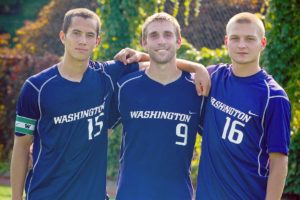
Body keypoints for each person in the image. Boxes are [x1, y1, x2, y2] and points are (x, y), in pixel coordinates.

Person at [10, 8, 210, 200]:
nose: (82, 40)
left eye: (89, 35)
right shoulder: (36, 88)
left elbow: (161, 60)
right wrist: (16, 198)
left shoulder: (107, 75)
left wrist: (196, 67)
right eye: (76, 33)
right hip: (46, 194)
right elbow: (21, 147)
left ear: (97, 41)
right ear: (63, 36)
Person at [195, 12, 291, 200]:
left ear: (262, 43)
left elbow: (279, 163)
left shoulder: (274, 97)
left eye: (249, 39)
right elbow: (169, 72)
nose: (241, 45)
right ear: (226, 41)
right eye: (235, 38)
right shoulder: (213, 77)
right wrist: (141, 57)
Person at [110, 12, 205, 200]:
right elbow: (99, 134)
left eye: (167, 35)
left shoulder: (197, 89)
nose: (161, 41)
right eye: (154, 35)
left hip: (177, 195)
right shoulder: (126, 87)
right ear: (144, 42)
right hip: (131, 194)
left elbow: (216, 145)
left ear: (179, 41)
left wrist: (198, 68)